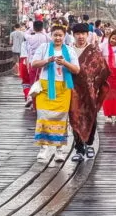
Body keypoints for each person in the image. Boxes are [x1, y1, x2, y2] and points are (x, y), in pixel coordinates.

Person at [31, 23, 80, 162]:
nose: (58, 38)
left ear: (64, 36)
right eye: (55, 35)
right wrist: (48, 60)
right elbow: (34, 64)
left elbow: (77, 70)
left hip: (63, 88)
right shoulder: (44, 47)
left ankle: (59, 149)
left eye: (60, 35)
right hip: (45, 87)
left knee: (61, 118)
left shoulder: (70, 51)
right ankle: (44, 148)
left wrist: (64, 63)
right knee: (43, 116)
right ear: (50, 36)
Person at [69, 23, 109, 161]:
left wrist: (94, 83)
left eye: (83, 34)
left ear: (87, 35)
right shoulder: (69, 51)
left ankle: (90, 143)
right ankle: (79, 148)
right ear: (73, 35)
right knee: (75, 117)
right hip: (73, 89)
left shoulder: (94, 51)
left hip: (90, 89)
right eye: (77, 34)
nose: (80, 37)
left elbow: (103, 70)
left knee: (91, 114)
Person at [10, 22, 30, 99]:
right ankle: (20, 72)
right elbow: (26, 41)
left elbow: (10, 42)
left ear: (15, 27)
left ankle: (18, 72)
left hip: (15, 49)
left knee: (16, 61)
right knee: (21, 62)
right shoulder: (23, 33)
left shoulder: (12, 33)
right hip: (22, 50)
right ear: (19, 27)